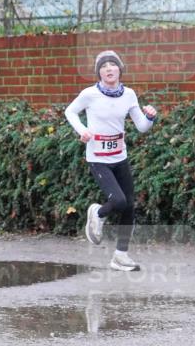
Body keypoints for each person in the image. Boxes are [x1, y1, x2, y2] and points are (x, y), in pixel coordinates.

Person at [65, 50, 158, 271]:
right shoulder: (89, 94)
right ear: (99, 72)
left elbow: (141, 127)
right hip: (98, 158)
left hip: (120, 157)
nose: (109, 69)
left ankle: (120, 256)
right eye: (104, 66)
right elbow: (70, 111)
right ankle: (97, 213)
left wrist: (151, 117)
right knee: (118, 201)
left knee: (129, 207)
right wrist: (83, 130)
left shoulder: (129, 94)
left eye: (113, 65)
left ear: (119, 70)